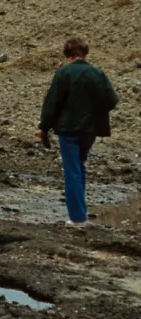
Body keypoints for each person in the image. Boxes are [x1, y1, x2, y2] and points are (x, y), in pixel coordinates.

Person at [38, 35, 119, 226]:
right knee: (80, 167)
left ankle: (77, 218)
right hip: (90, 130)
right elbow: (112, 100)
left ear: (68, 54)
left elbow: (52, 103)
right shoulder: (96, 73)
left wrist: (43, 127)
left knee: (72, 170)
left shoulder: (64, 73)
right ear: (85, 52)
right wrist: (94, 113)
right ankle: (81, 213)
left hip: (68, 130)